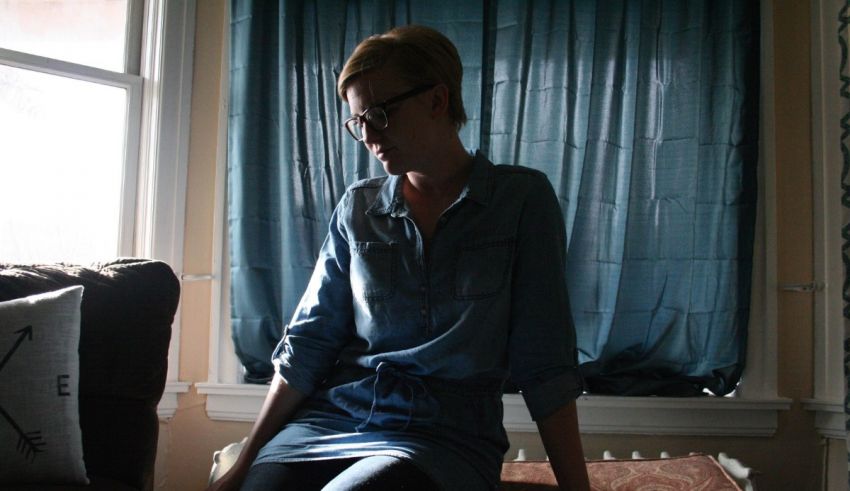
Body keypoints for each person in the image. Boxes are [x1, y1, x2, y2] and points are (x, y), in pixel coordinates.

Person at [208, 24, 590, 491]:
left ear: (437, 99)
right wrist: (245, 464)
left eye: (380, 113)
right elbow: (309, 343)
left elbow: (544, 359)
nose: (367, 134)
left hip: (444, 437)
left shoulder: (521, 200)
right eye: (357, 121)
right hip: (332, 422)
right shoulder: (359, 207)